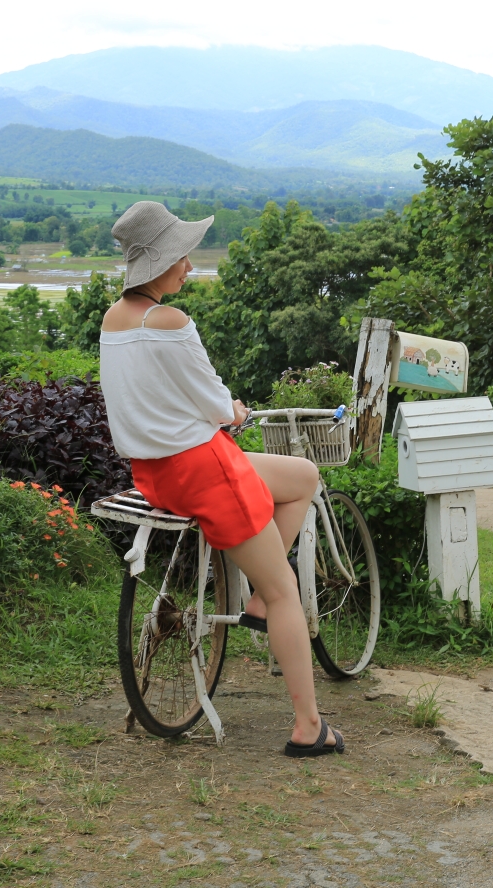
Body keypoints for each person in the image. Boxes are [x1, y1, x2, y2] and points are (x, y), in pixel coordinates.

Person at [97, 200, 344, 758]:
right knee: (286, 592)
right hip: (206, 470)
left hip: (157, 473)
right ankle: (308, 725)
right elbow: (213, 404)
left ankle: (253, 593)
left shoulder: (114, 319)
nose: (190, 266)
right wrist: (232, 408)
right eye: (183, 256)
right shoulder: (174, 323)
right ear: (159, 262)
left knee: (303, 476)